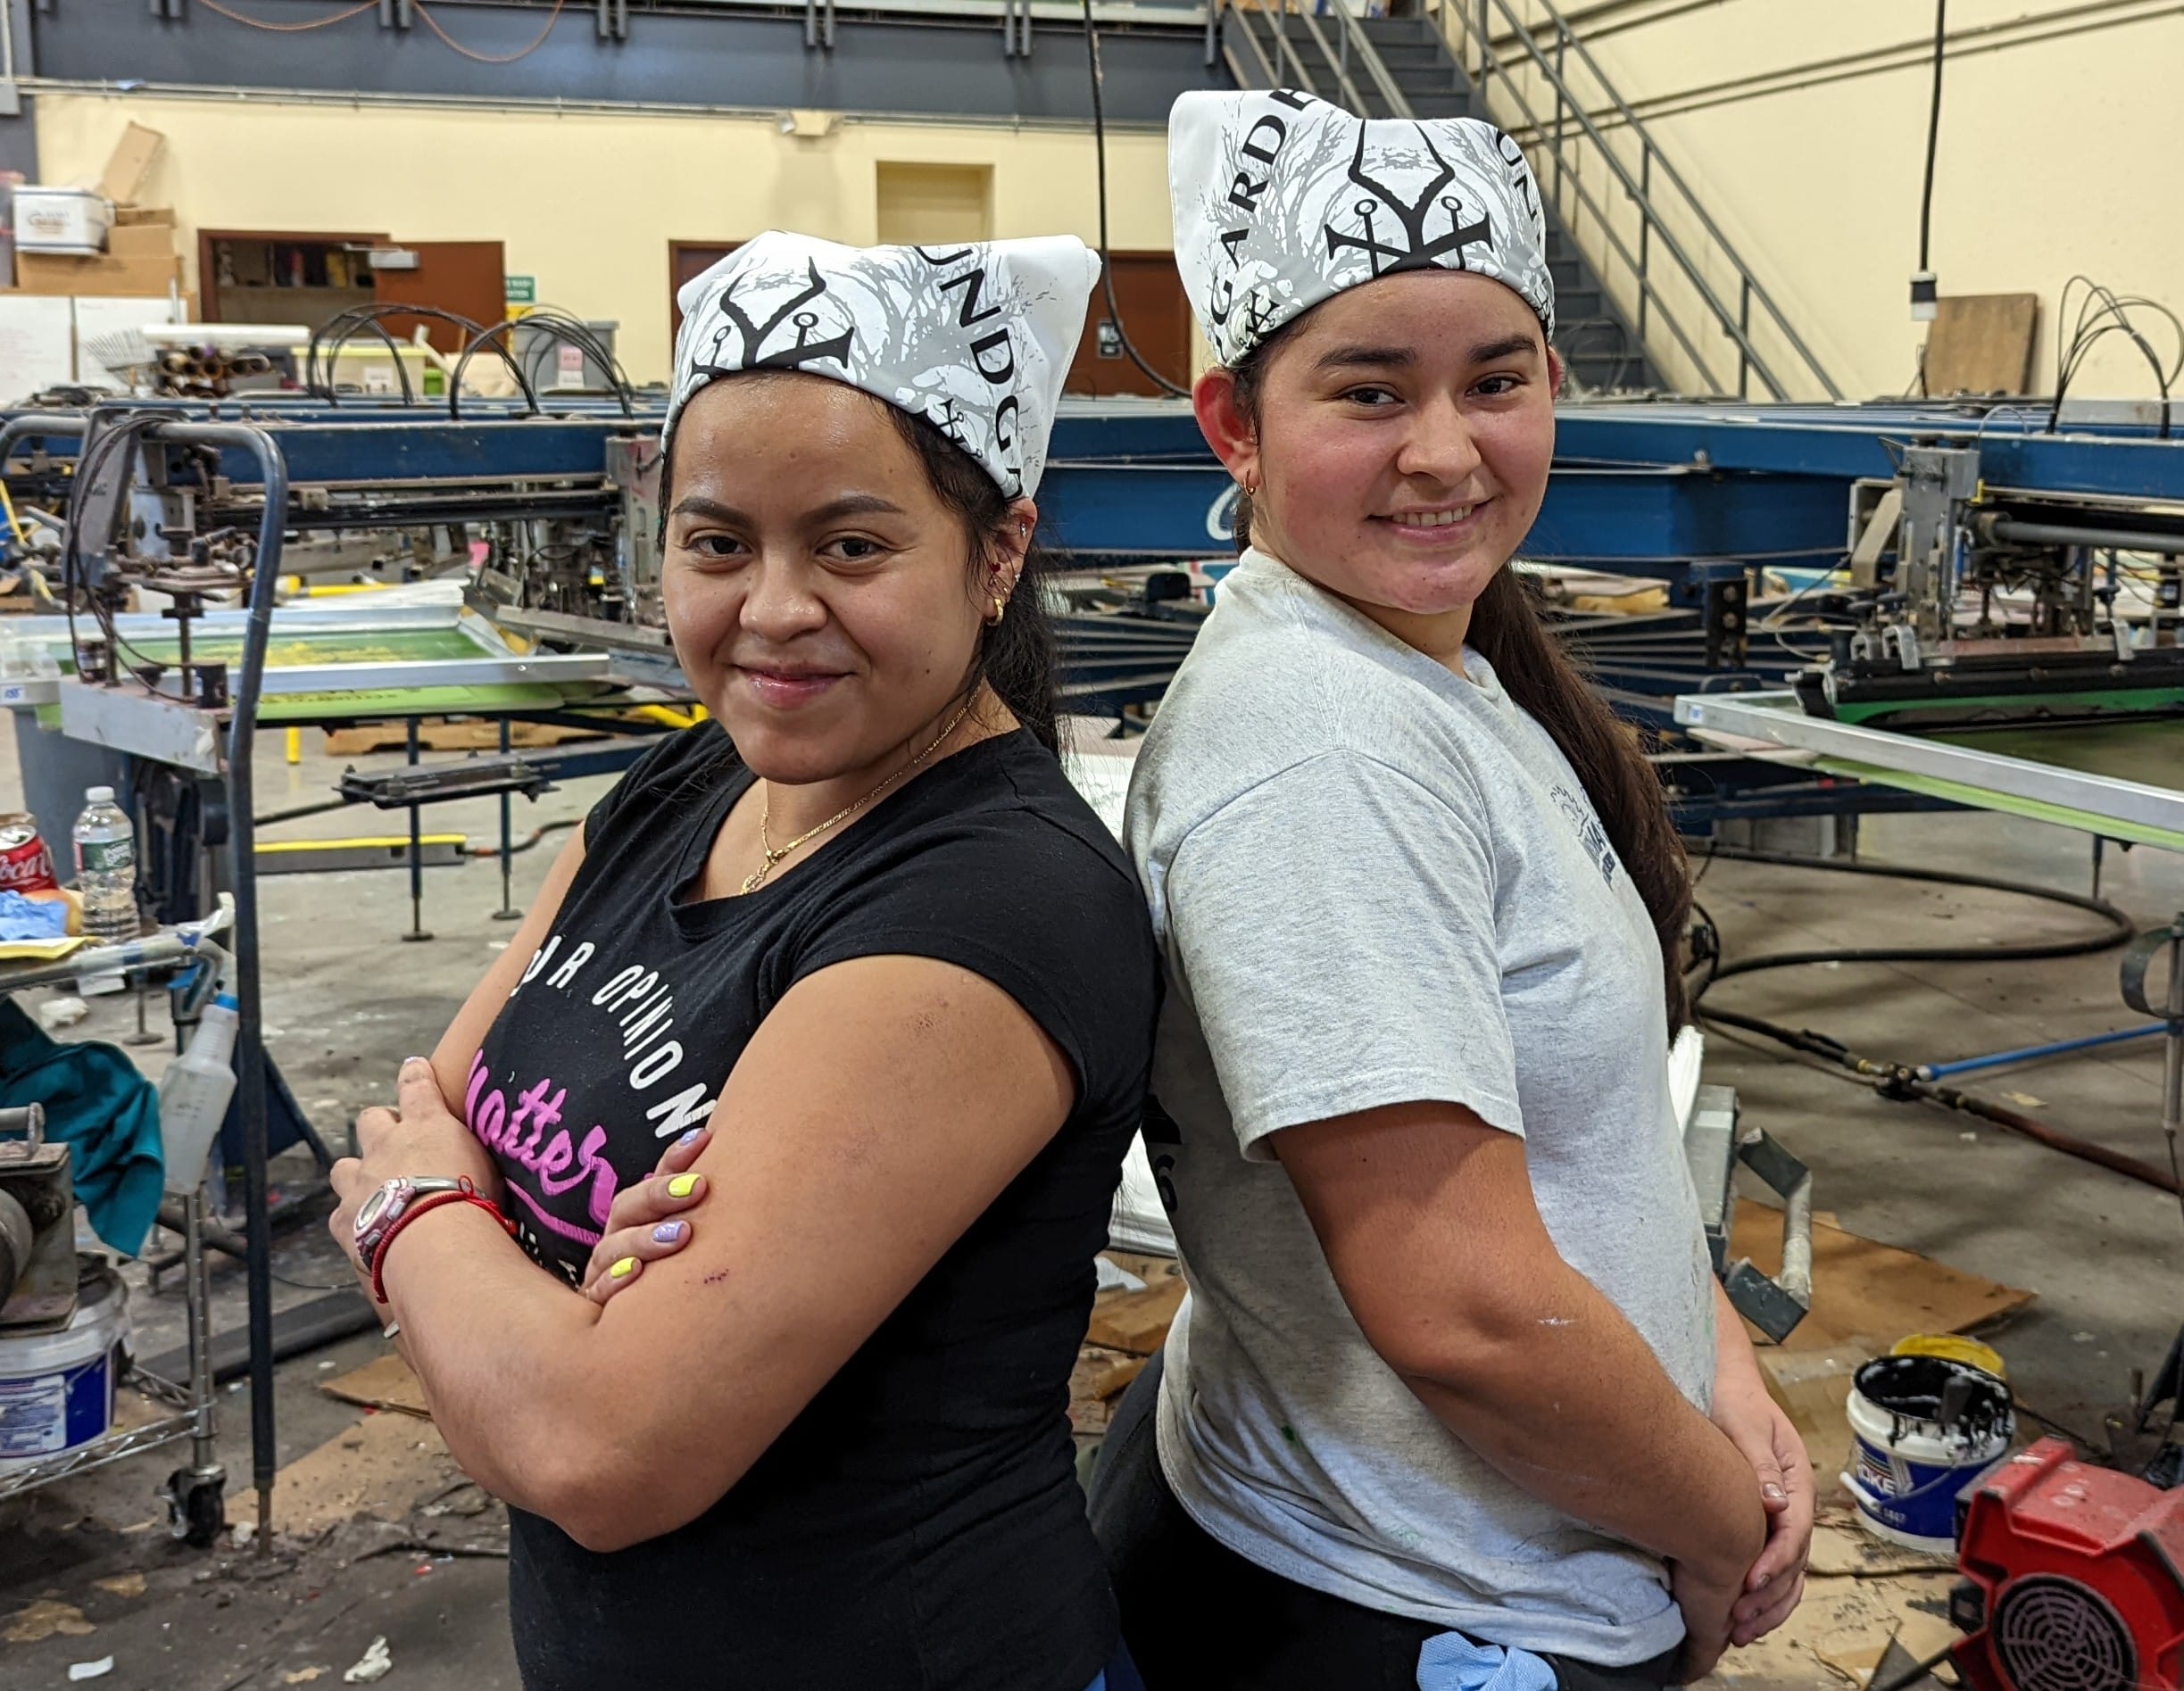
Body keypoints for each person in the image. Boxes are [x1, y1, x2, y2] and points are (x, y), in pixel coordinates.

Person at [326, 230, 1160, 1691]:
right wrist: (493, 1254)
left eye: (851, 545)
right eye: (719, 544)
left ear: (997, 553)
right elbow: (428, 1096)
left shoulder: (994, 902)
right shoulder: (686, 787)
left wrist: (420, 1224)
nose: (772, 610)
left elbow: (598, 1445)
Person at [1091, 93, 1813, 1690]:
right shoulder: (1318, 742)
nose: (1444, 449)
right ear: (1234, 424)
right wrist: (1715, 1528)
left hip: (1469, 1547)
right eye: (1368, 391)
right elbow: (1465, 1317)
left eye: (1494, 382)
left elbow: (1592, 1135)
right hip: (1406, 1601)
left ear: (1552, 383)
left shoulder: (1439, 668)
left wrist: (1723, 1372)